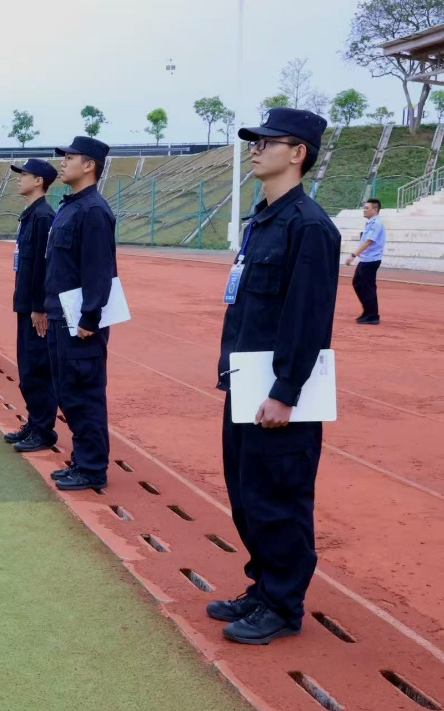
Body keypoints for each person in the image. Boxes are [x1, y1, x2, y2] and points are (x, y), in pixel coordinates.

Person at [209, 108, 339, 645]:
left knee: (279, 499)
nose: (256, 149)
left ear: (298, 153)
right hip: (245, 384)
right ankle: (263, 587)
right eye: (255, 142)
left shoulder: (309, 227)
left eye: (268, 142)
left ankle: (283, 606)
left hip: (279, 394)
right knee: (247, 494)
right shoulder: (262, 222)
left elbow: (307, 318)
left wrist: (285, 391)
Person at [45, 137, 117, 491]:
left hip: (80, 322)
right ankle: (82, 459)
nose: (63, 162)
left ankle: (91, 467)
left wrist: (90, 316)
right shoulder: (71, 207)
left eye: (70, 157)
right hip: (62, 314)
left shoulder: (93, 211)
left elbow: (99, 269)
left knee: (85, 393)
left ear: (89, 165)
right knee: (69, 392)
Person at [6, 159, 60, 453]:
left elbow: (44, 266)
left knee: (37, 368)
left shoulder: (43, 217)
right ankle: (34, 421)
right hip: (25, 302)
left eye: (24, 175)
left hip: (35, 307)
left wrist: (40, 307)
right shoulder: (31, 215)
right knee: (27, 368)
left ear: (39, 181)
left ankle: (43, 429)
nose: (19, 179)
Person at [347, 198, 384, 325]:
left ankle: (372, 315)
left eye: (367, 208)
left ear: (375, 210)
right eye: (364, 208)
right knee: (358, 283)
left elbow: (368, 241)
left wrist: (353, 255)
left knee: (367, 286)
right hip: (366, 259)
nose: (364, 210)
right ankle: (368, 311)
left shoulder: (376, 223)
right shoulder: (370, 223)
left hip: (371, 260)